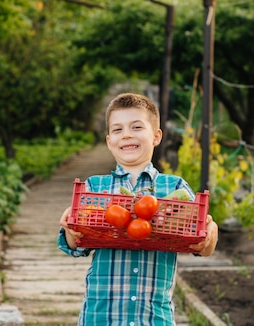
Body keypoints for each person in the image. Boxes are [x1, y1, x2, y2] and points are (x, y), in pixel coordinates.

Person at [58, 92, 219, 326]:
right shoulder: (95, 188)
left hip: (153, 316)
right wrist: (71, 229)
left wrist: (210, 233)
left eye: (136, 127)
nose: (126, 135)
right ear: (109, 141)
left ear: (156, 136)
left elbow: (202, 246)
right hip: (102, 315)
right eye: (118, 130)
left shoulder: (174, 187)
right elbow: (74, 245)